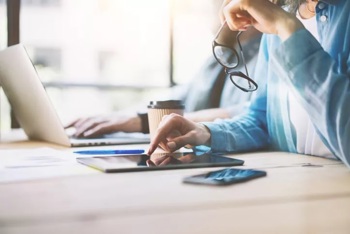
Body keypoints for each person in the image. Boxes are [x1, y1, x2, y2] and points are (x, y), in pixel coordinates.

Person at [147, 0, 350, 168]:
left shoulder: (283, 22)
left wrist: (286, 28)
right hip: (291, 187)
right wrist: (206, 132)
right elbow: (262, 119)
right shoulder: (281, 17)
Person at [66, 16, 262, 138]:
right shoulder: (222, 57)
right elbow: (181, 96)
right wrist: (117, 117)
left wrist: (144, 122)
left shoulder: (269, 56)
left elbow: (252, 114)